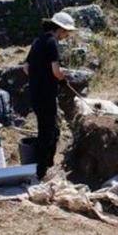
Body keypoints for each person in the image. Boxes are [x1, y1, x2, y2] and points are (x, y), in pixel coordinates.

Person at [24, 11, 76, 180]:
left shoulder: (38, 40)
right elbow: (56, 70)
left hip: (34, 93)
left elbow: (26, 67)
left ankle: (44, 166)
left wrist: (38, 76)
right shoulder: (52, 42)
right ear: (60, 29)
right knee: (49, 132)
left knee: (46, 129)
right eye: (66, 33)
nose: (66, 36)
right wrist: (62, 79)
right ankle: (42, 170)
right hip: (46, 94)